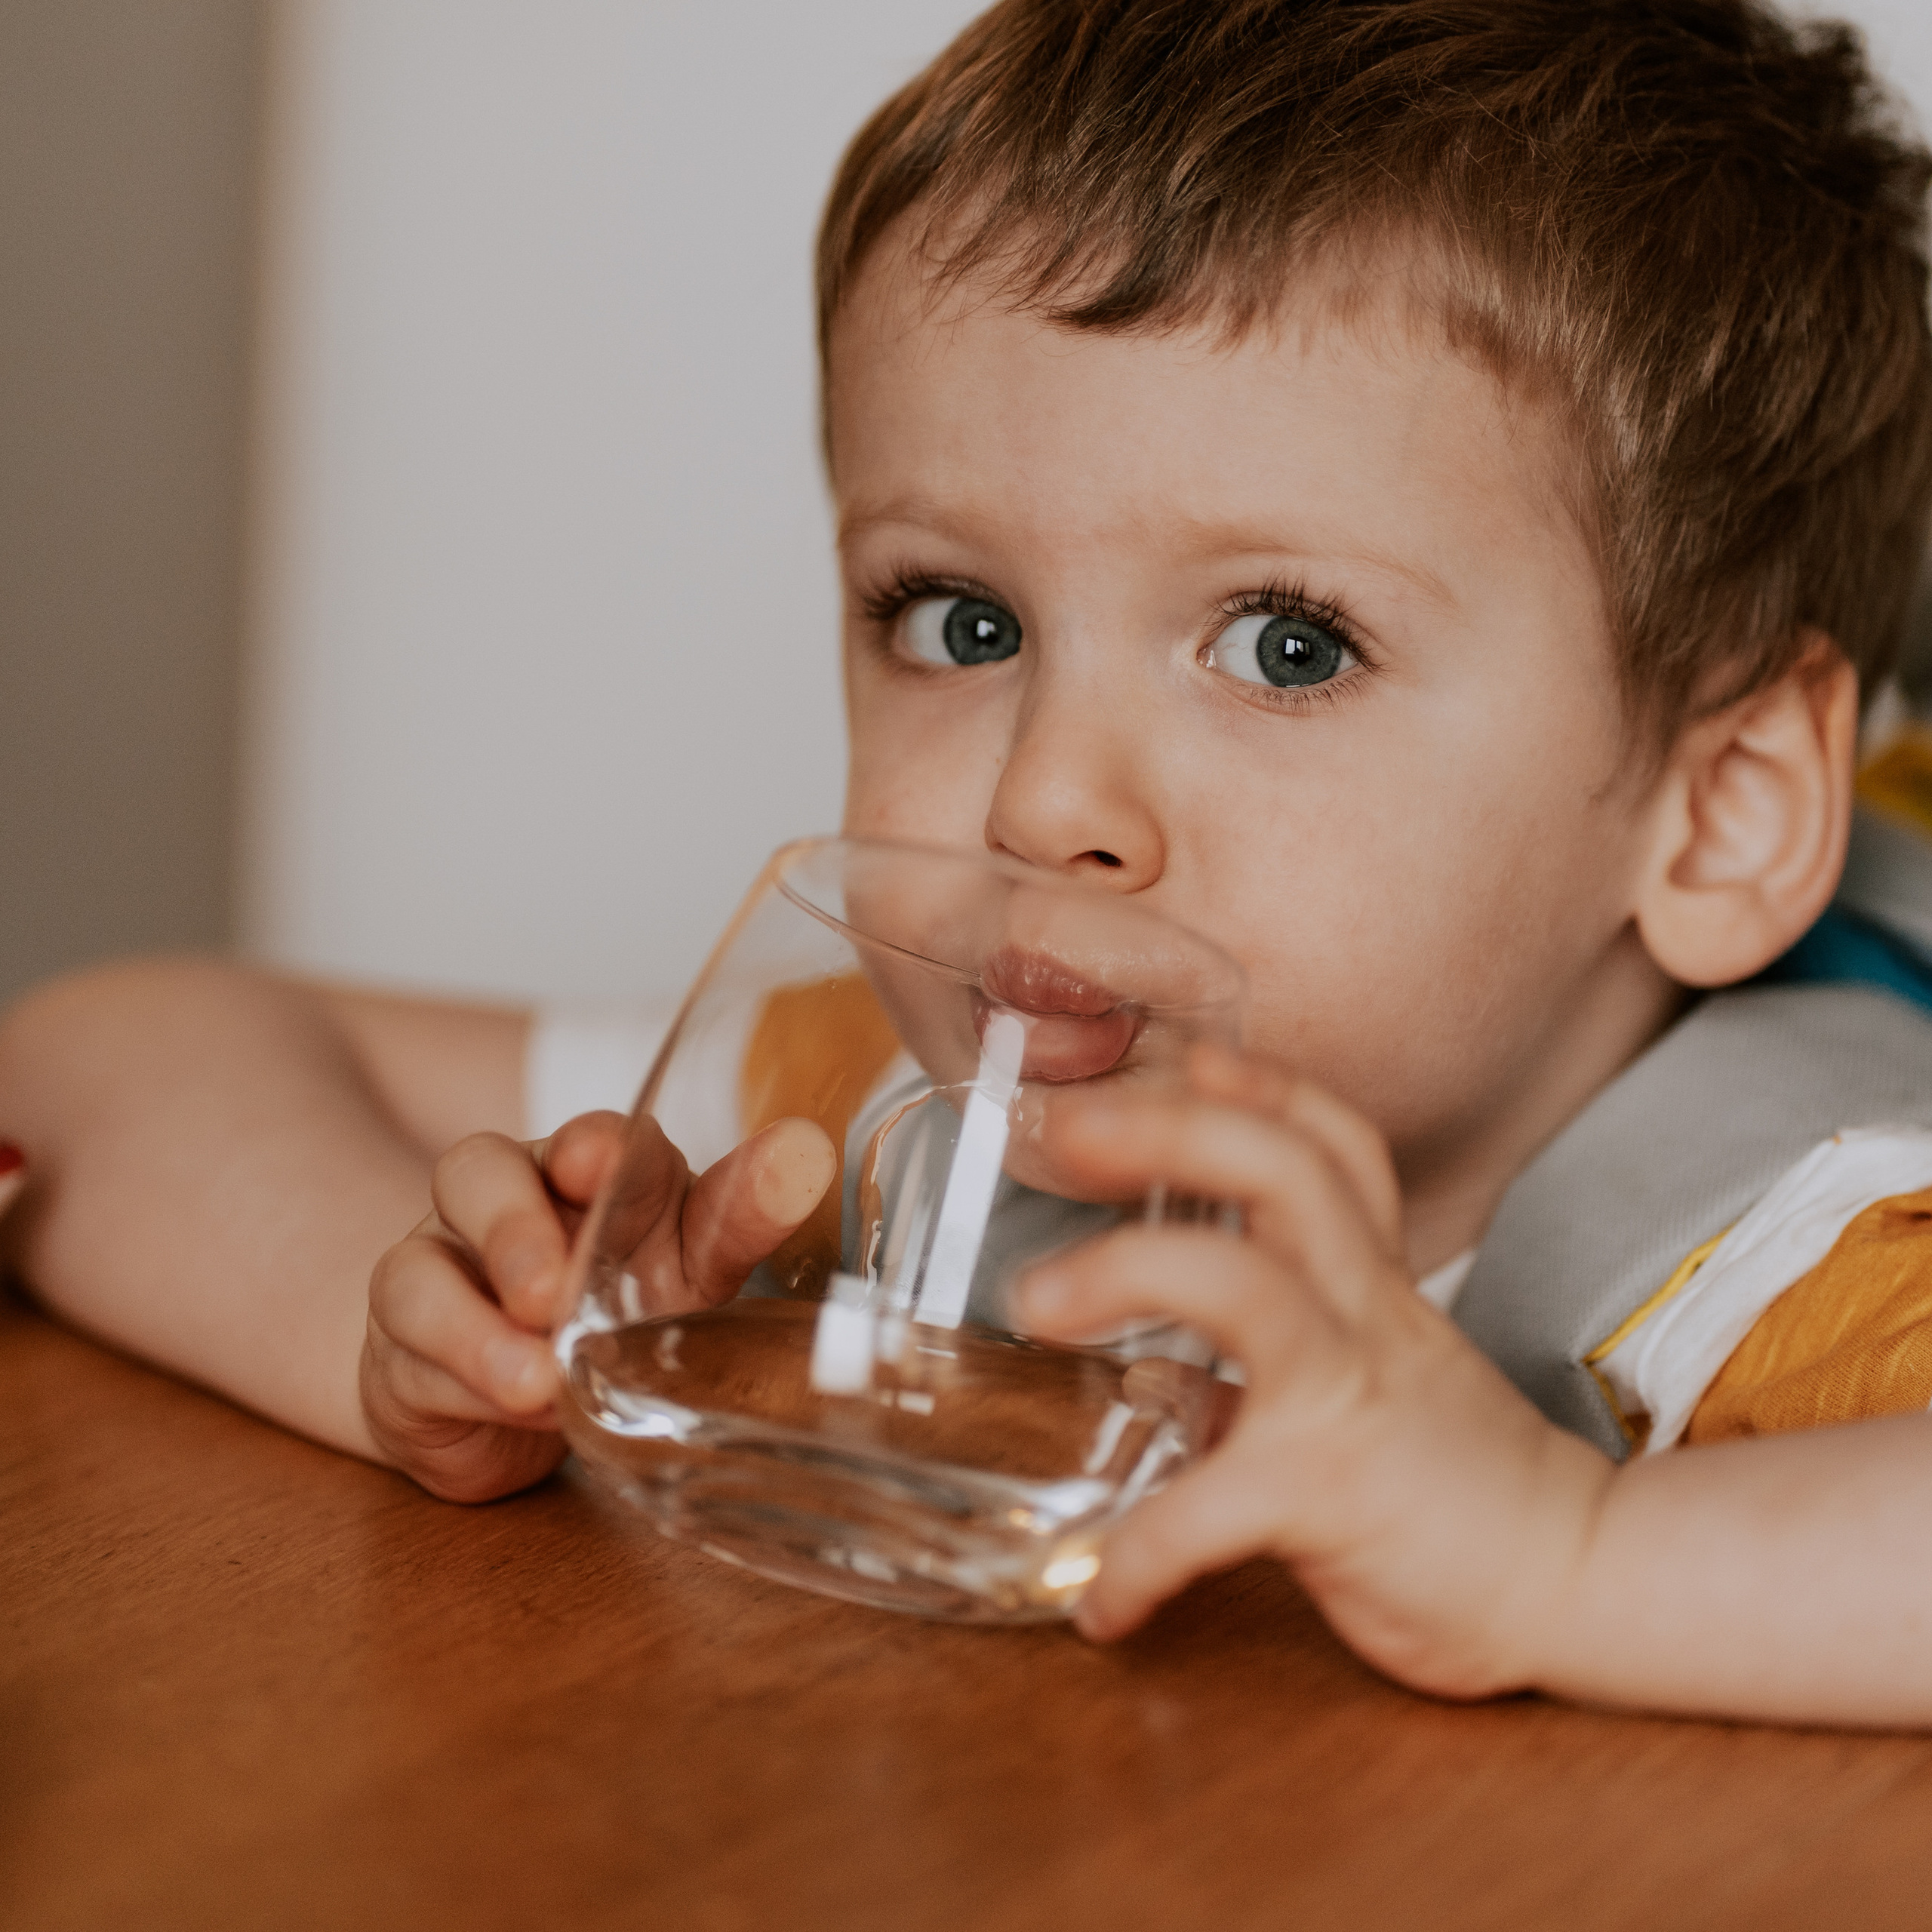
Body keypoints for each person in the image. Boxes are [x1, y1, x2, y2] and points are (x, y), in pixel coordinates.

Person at [6, 0, 1932, 1725]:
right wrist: (460, 1339)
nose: (1036, 803)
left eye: (1286, 643)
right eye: (958, 620)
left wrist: (1562, 1561)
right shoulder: (962, 1094)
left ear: (1715, 811)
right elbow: (95, 1068)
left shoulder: (1792, 1242)